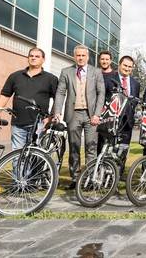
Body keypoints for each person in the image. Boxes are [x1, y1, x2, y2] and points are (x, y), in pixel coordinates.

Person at [54, 45, 105, 190]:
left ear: (88, 57)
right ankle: (75, 179)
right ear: (74, 56)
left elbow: (101, 93)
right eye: (78, 55)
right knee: (74, 148)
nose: (81, 58)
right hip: (73, 114)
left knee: (91, 147)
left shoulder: (96, 72)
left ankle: (89, 178)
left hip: (91, 116)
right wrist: (57, 111)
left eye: (83, 55)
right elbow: (60, 92)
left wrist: (97, 114)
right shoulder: (66, 72)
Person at [0, 48, 58, 151]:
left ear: (43, 59)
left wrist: (50, 117)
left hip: (39, 123)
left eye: (37, 56)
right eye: (31, 56)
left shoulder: (51, 79)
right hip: (18, 123)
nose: (33, 58)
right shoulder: (15, 76)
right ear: (28, 58)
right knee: (17, 154)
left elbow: (57, 99)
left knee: (36, 155)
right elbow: (4, 95)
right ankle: (19, 168)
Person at [114, 55, 140, 178]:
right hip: (112, 119)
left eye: (130, 67)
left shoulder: (135, 83)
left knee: (123, 149)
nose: (127, 68)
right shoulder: (110, 78)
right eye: (125, 65)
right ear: (119, 65)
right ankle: (106, 175)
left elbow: (135, 101)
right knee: (110, 148)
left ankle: (118, 174)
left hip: (127, 122)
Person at [97, 50, 116, 155]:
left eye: (107, 59)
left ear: (111, 61)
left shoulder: (115, 75)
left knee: (108, 142)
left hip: (110, 113)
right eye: (102, 59)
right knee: (97, 143)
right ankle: (96, 168)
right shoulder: (95, 73)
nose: (104, 61)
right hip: (96, 112)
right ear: (99, 60)